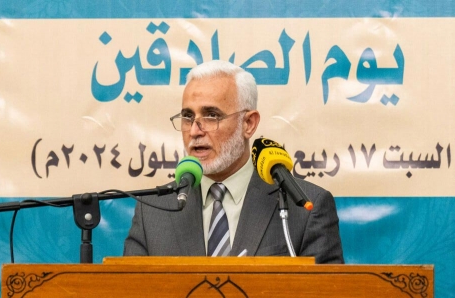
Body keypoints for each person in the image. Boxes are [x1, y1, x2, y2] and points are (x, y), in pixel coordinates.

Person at [123, 60, 344, 264]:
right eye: (188, 117)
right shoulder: (153, 212)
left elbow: (328, 293)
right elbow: (129, 292)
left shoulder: (305, 209)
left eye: (211, 116)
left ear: (248, 124)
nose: (194, 131)